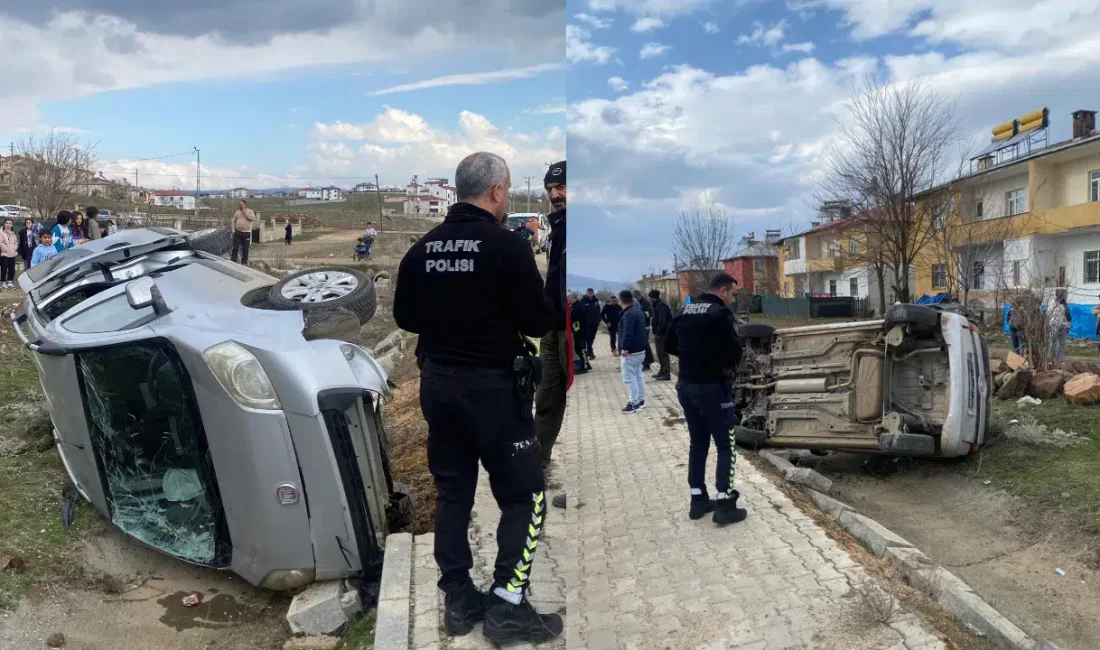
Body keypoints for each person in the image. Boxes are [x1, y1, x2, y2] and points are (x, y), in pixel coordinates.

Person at [392, 152, 561, 644]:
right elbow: (536, 321)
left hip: (439, 388)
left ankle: (459, 600)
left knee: (453, 494)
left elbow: (405, 319)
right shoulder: (507, 247)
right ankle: (508, 604)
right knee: (525, 497)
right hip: (494, 394)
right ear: (496, 192)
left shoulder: (420, 250)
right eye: (507, 191)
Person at [665, 273, 747, 525]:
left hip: (686, 386)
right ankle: (725, 504)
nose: (734, 299)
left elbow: (668, 344)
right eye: (733, 293)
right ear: (722, 290)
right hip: (712, 387)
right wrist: (714, 361)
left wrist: (692, 356)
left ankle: (698, 500)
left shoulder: (684, 310)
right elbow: (735, 351)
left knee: (698, 443)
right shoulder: (720, 314)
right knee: (726, 444)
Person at [533, 161, 568, 509]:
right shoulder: (558, 227)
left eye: (562, 188)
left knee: (573, 402)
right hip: (551, 329)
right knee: (547, 399)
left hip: (568, 331)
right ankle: (533, 471)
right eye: (550, 190)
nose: (555, 195)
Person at [618, 289, 648, 413]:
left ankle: (634, 403)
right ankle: (640, 400)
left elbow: (628, 332)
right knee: (638, 376)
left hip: (631, 352)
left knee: (629, 378)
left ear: (621, 300)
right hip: (640, 350)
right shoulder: (637, 310)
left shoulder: (628, 314)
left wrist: (625, 348)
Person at [650, 289, 673, 380]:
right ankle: (662, 371)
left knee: (663, 353)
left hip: (663, 333)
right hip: (659, 333)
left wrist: (659, 332)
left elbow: (662, 322)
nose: (649, 299)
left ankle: (666, 373)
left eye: (650, 297)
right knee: (659, 353)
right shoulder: (656, 305)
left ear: (653, 297)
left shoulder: (661, 306)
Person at [570, 292, 590, 374]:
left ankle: (584, 367)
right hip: (579, 331)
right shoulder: (575, 306)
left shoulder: (577, 307)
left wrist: (575, 331)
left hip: (580, 332)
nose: (567, 299)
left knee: (581, 350)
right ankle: (586, 365)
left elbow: (576, 322)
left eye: (568, 298)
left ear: (572, 297)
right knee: (579, 349)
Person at [634, 289, 655, 370]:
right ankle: (644, 362)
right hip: (639, 326)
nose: (635, 299)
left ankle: (647, 363)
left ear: (639, 295)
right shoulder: (636, 302)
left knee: (645, 345)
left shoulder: (646, 303)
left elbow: (650, 313)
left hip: (645, 326)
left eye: (636, 297)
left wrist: (640, 314)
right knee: (641, 345)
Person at [1049, 291, 1071, 366]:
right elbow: (1048, 314)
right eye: (1064, 295)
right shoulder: (1053, 303)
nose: (1065, 297)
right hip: (1054, 325)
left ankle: (1060, 361)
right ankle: (1050, 360)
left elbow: (1068, 316)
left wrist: (1068, 326)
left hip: (1063, 326)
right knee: (1053, 343)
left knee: (1062, 344)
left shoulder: (1065, 304)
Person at [231, 200, 256, 264]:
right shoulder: (237, 212)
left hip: (246, 233)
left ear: (245, 205)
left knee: (245, 249)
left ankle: (244, 262)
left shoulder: (250, 211)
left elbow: (253, 218)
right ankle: (233, 261)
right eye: (239, 205)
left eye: (241, 205)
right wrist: (233, 230)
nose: (240, 206)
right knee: (235, 247)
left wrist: (246, 214)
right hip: (237, 232)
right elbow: (233, 221)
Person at [581, 288, 601, 359]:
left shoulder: (596, 300)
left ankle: (588, 352)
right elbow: (581, 312)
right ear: (586, 293)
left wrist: (599, 320)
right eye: (588, 293)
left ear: (593, 293)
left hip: (594, 323)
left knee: (592, 338)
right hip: (586, 323)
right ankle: (590, 353)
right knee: (588, 338)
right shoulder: (583, 300)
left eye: (591, 293)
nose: (590, 295)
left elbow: (598, 310)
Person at [0, 220, 17, 289]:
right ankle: (3, 282)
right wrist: (5, 249)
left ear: (12, 225)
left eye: (10, 223)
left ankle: (10, 281)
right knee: (4, 268)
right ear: (4, 224)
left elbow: (16, 242)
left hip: (12, 253)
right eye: (7, 223)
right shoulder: (1, 232)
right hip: (5, 254)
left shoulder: (13, 233)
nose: (8, 224)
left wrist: (15, 248)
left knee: (11, 269)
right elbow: (0, 242)